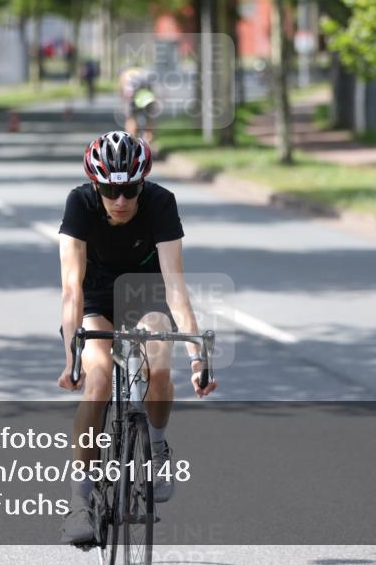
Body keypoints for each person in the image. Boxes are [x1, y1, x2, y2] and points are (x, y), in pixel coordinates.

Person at [57, 130, 217, 545]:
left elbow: (175, 286)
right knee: (97, 381)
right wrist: (69, 359)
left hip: (145, 294)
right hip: (95, 298)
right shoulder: (80, 204)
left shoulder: (161, 203)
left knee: (159, 364)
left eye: (130, 189)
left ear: (142, 183)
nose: (122, 200)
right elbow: (71, 288)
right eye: (111, 190)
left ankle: (158, 448)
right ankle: (81, 499)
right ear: (97, 185)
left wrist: (197, 358)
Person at [118, 66, 160, 143]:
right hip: (146, 91)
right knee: (149, 118)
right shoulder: (144, 72)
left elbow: (123, 91)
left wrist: (123, 104)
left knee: (131, 118)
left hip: (132, 90)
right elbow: (151, 91)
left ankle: (131, 141)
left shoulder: (125, 74)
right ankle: (148, 139)